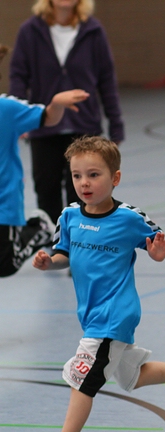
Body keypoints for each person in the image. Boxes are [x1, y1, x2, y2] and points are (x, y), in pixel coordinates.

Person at [26, 136, 165, 432]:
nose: (84, 183)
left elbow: (154, 244)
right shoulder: (69, 216)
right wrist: (49, 262)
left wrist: (157, 253)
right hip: (90, 313)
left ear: (115, 177)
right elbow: (63, 254)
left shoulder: (128, 218)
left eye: (94, 175)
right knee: (133, 375)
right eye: (77, 176)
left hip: (114, 314)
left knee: (83, 376)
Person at [9, 0, 124, 224]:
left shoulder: (93, 30)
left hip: (84, 125)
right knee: (46, 189)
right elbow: (18, 76)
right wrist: (21, 118)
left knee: (84, 191)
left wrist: (116, 124)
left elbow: (107, 79)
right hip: (45, 125)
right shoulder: (30, 31)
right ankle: (54, 240)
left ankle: (83, 238)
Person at [0, 42, 89, 278]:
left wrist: (57, 103)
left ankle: (39, 228)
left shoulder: (6, 109)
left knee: (5, 265)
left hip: (3, 203)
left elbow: (48, 118)